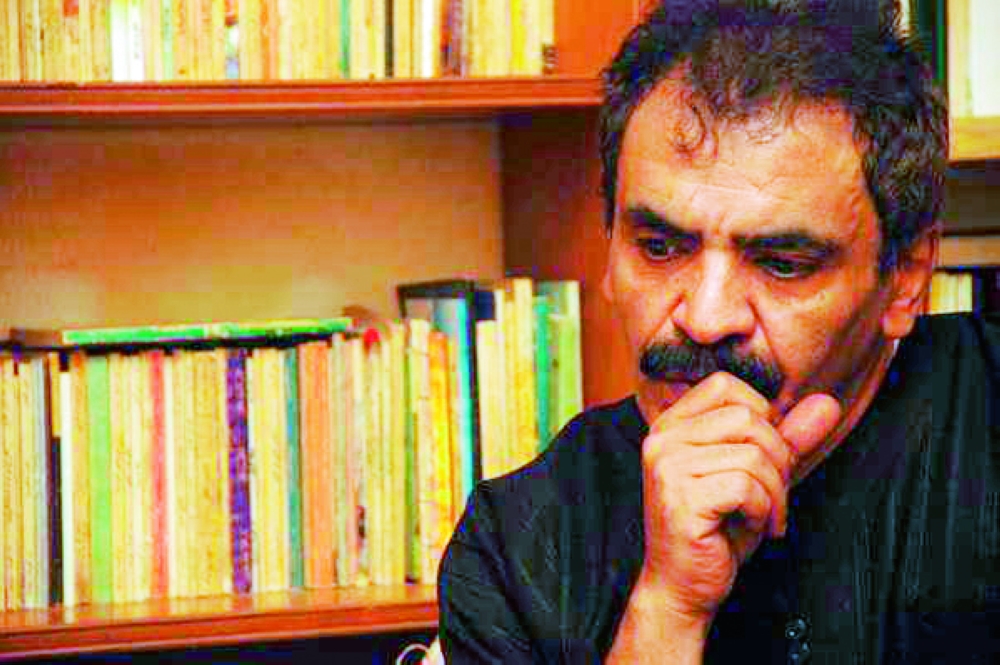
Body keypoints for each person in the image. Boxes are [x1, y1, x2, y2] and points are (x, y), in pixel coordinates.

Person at [438, 0, 1000, 662]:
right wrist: (667, 610)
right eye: (659, 247)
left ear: (906, 276)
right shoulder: (520, 547)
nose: (704, 319)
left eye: (782, 263)